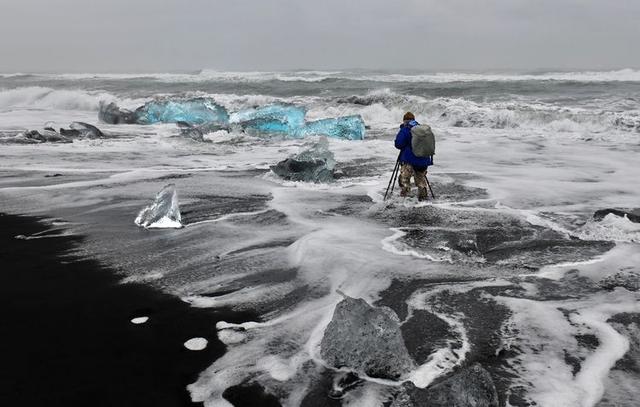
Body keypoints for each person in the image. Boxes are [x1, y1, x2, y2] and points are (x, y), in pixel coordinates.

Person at [394, 112, 433, 201]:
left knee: (404, 179)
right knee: (420, 180)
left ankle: (405, 198)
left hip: (409, 160)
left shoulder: (406, 129)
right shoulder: (423, 129)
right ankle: (423, 199)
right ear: (414, 119)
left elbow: (398, 144)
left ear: (404, 120)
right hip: (423, 160)